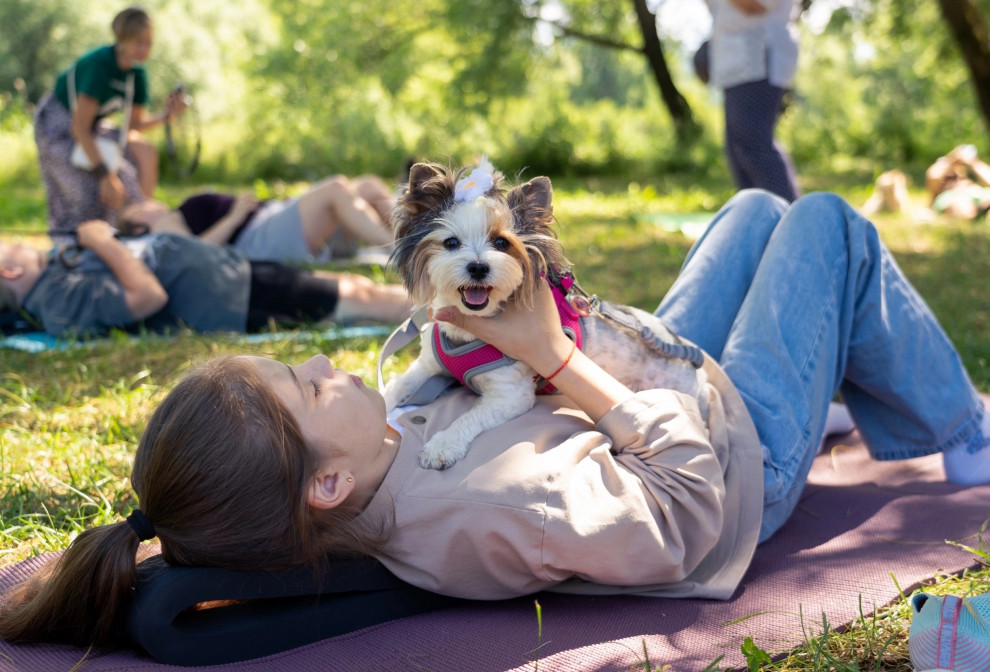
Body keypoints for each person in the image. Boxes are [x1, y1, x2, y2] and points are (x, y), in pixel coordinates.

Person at [2, 190, 989, 648]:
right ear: (325, 482)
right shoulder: (488, 512)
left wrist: (492, 328)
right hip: (733, 465)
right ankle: (959, 431)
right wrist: (554, 356)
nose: (319, 360)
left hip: (620, 385)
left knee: (749, 212)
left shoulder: (370, 464)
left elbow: (432, 393)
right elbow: (687, 504)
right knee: (823, 224)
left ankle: (880, 402)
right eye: (305, 383)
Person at [0, 220, 410, 338]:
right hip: (231, 296)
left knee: (360, 291)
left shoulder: (53, 282)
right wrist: (103, 241)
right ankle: (453, 313)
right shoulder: (57, 301)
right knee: (363, 298)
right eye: (9, 246)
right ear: (9, 271)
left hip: (230, 277)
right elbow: (146, 295)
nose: (18, 243)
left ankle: (447, 303)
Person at [34, 7, 188, 241]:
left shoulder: (136, 75)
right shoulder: (100, 65)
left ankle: (129, 234)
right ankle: (73, 246)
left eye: (149, 43)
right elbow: (79, 127)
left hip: (89, 128)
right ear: (122, 38)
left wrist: (168, 115)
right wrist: (105, 176)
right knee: (85, 192)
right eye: (139, 42)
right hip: (58, 126)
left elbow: (135, 124)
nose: (144, 49)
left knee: (127, 176)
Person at [117, 174, 396, 264]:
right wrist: (236, 216)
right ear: (140, 225)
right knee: (336, 188)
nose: (147, 203)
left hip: (268, 219)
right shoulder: (162, 228)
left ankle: (419, 230)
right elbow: (196, 254)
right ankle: (400, 249)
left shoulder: (173, 216)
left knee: (368, 186)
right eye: (139, 208)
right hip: (256, 240)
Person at [704, 0, 802, 201]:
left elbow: (757, 5)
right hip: (735, 60)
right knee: (737, 148)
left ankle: (789, 219)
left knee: (753, 143)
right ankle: (758, 216)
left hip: (759, 55)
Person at [925, 144, 990, 221]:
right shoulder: (940, 171)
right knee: (961, 207)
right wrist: (950, 160)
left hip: (975, 193)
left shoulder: (965, 178)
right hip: (954, 198)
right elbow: (933, 176)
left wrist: (973, 162)